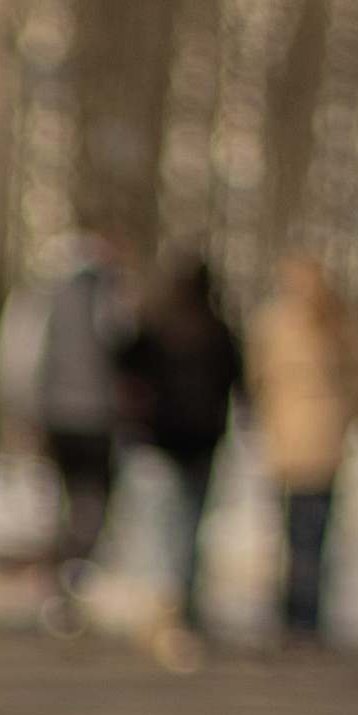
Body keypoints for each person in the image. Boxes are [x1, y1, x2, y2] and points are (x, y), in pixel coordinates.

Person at [111, 251, 245, 664]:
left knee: (159, 529)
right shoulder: (217, 332)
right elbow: (238, 385)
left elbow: (122, 368)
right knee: (184, 530)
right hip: (198, 443)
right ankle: (176, 608)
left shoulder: (154, 329)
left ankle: (160, 610)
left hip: (159, 441)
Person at [245, 253, 358, 643]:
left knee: (292, 529)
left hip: (289, 438)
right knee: (313, 532)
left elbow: (257, 377)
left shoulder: (276, 322)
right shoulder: (337, 321)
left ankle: (292, 610)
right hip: (323, 438)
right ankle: (305, 613)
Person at [22, 232, 129, 617]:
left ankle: (66, 573)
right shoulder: (109, 296)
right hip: (95, 416)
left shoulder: (47, 297)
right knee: (92, 500)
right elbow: (121, 345)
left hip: (57, 413)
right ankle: (73, 571)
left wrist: (27, 407)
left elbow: (23, 355)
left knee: (66, 498)